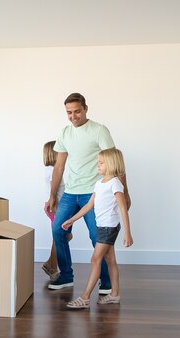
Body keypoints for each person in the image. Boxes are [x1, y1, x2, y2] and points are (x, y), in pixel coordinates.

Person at [45, 93, 130, 293]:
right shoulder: (65, 133)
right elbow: (59, 167)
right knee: (58, 229)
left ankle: (106, 282)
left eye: (77, 111)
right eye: (69, 112)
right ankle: (66, 276)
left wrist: (125, 193)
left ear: (85, 109)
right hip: (70, 193)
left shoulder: (99, 130)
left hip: (94, 193)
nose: (73, 116)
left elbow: (115, 162)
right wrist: (52, 195)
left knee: (97, 236)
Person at [61, 148, 133, 309]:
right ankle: (115, 294)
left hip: (109, 227)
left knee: (95, 259)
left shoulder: (115, 183)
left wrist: (128, 233)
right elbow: (88, 205)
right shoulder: (99, 184)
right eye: (97, 162)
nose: (97, 165)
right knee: (111, 260)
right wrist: (71, 220)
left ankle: (85, 297)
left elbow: (123, 208)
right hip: (102, 226)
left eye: (101, 163)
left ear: (112, 164)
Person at [41, 140, 72, 281]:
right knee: (62, 237)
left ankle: (50, 264)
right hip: (56, 208)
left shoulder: (50, 170)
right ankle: (51, 265)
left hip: (55, 207)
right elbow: (55, 193)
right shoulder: (53, 171)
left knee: (61, 237)